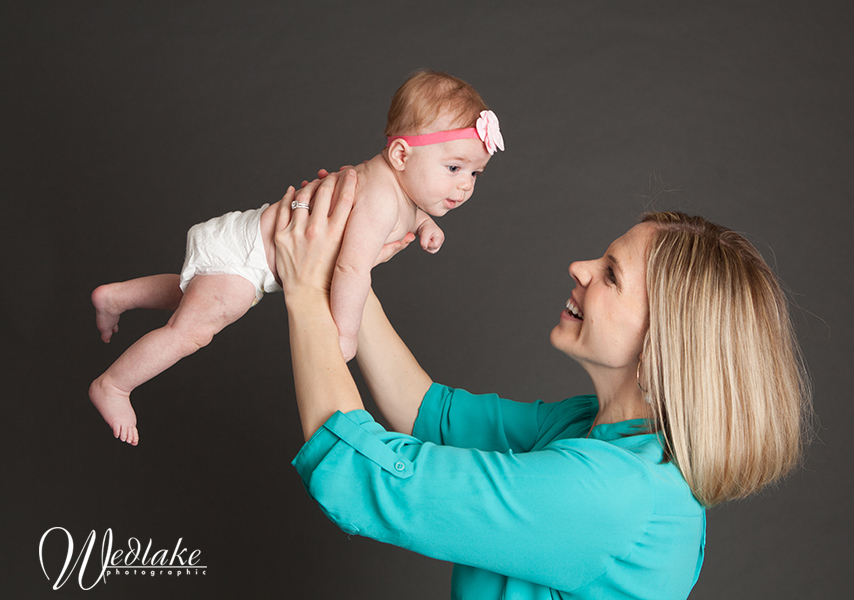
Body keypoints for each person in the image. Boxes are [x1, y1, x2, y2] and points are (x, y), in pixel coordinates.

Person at [274, 171, 811, 599]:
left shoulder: (609, 493)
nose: (579, 268)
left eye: (611, 275)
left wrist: (303, 289)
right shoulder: (594, 431)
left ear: (663, 344)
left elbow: (361, 475)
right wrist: (351, 265)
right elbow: (427, 412)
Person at [89, 69, 504, 445]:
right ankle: (115, 385)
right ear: (400, 155)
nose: (465, 185)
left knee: (194, 292)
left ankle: (117, 297)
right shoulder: (379, 198)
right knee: (194, 330)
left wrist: (427, 226)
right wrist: (344, 332)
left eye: (474, 174)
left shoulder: (401, 190)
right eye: (454, 168)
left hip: (247, 244)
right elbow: (350, 267)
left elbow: (411, 212)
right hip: (247, 256)